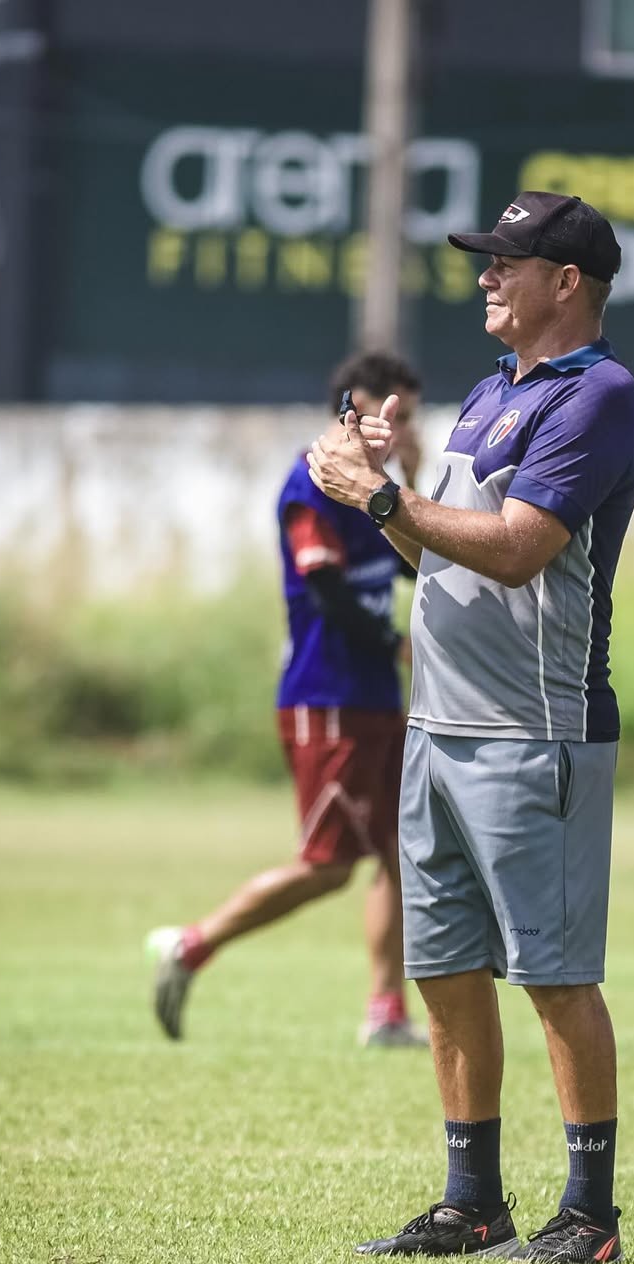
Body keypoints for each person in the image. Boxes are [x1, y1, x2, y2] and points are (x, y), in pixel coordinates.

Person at [308, 191, 634, 1264]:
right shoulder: (484, 393)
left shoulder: (599, 396)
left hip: (532, 727)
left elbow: (516, 547)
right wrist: (392, 492)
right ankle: (473, 1202)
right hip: (439, 725)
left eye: (508, 261)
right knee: (445, 965)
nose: (485, 276)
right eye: (485, 259)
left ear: (568, 284)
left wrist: (378, 501)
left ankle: (588, 1215)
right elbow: (444, 552)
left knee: (553, 971)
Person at [146, 351, 429, 1048]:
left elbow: (421, 563)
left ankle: (386, 1012)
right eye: (386, 413)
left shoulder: (376, 491)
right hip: (326, 696)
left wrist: (411, 481)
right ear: (349, 410)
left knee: (401, 853)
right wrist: (396, 643)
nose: (396, 427)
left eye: (408, 418)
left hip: (374, 700)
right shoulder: (311, 485)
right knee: (329, 866)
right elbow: (327, 591)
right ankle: (193, 946)